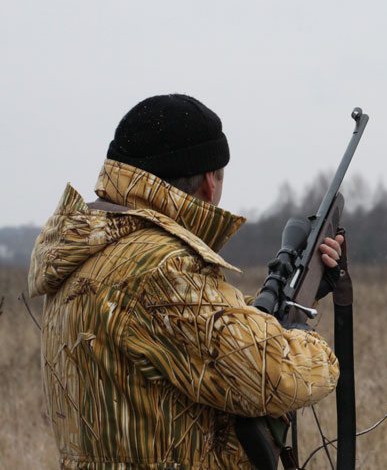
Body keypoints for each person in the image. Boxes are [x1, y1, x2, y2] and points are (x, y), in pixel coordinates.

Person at [28, 94, 346, 468]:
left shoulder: (90, 253)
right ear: (210, 182)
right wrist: (309, 342)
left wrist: (290, 299)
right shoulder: (159, 268)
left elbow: (180, 330)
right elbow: (275, 375)